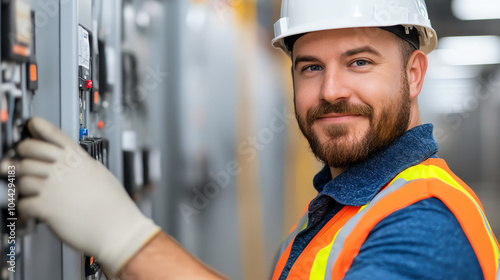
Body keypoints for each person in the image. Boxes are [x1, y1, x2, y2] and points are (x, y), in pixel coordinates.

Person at [2, 0, 499, 279]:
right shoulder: (345, 205)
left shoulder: (425, 225)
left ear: (414, 73)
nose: (330, 91)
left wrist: (124, 239)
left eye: (359, 62)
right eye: (310, 67)